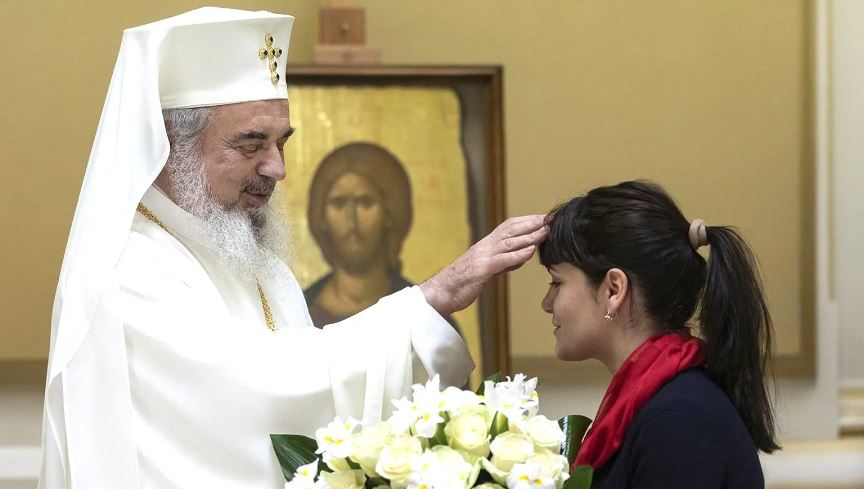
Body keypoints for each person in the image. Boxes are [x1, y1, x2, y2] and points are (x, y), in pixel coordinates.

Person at [40, 8, 547, 489]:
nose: (276, 169)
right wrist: (431, 297)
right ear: (171, 143)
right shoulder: (128, 271)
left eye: (281, 142)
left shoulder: (257, 265)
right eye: (250, 144)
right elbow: (254, 397)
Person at [538, 180, 779, 488]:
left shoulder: (677, 420)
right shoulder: (662, 401)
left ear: (613, 289)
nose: (547, 303)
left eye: (556, 283)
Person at [303, 142, 457, 329]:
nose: (351, 220)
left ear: (389, 213)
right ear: (321, 216)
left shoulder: (425, 316)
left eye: (365, 203)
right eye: (338, 203)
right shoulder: (299, 314)